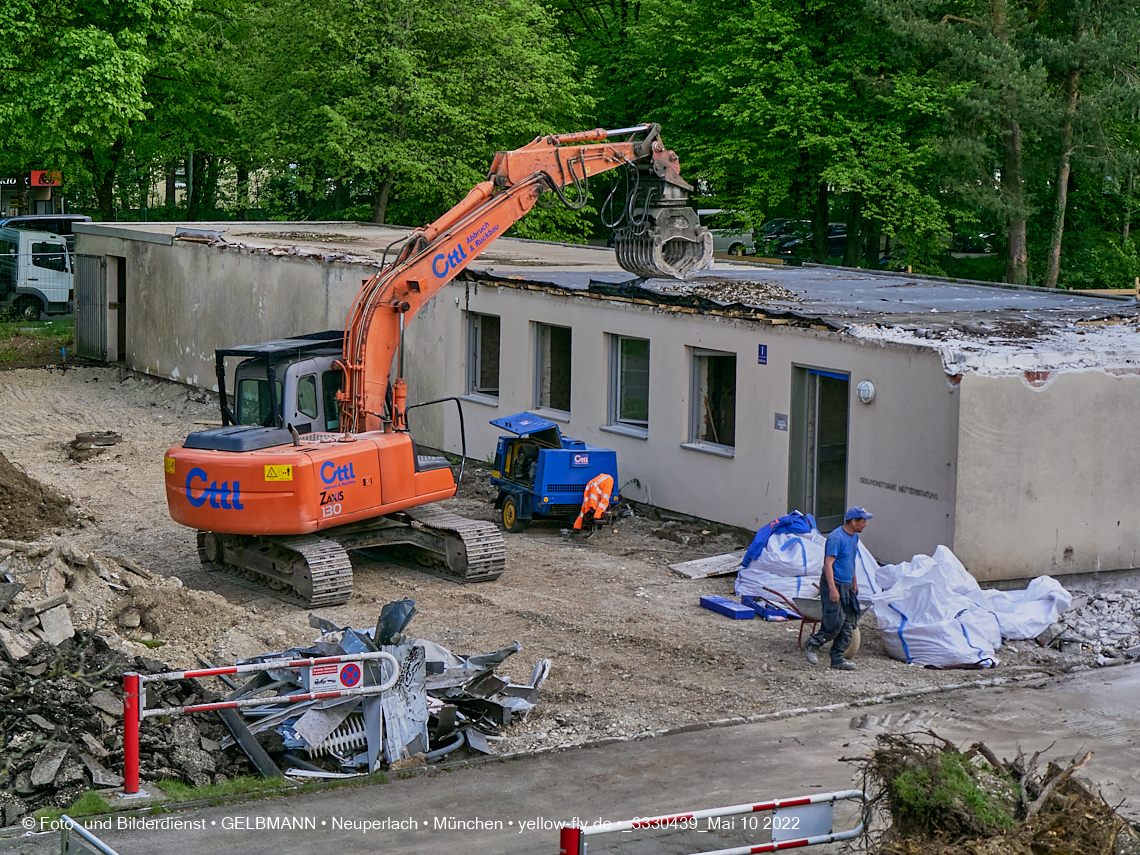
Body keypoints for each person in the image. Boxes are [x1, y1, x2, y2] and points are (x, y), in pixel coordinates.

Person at [804, 507, 872, 671]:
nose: (865, 525)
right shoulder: (836, 537)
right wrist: (833, 589)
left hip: (847, 584)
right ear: (853, 521)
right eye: (863, 522)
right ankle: (812, 644)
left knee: (849, 623)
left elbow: (851, 560)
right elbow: (828, 564)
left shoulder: (854, 537)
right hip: (833, 583)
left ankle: (838, 658)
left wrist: (854, 581)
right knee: (835, 622)